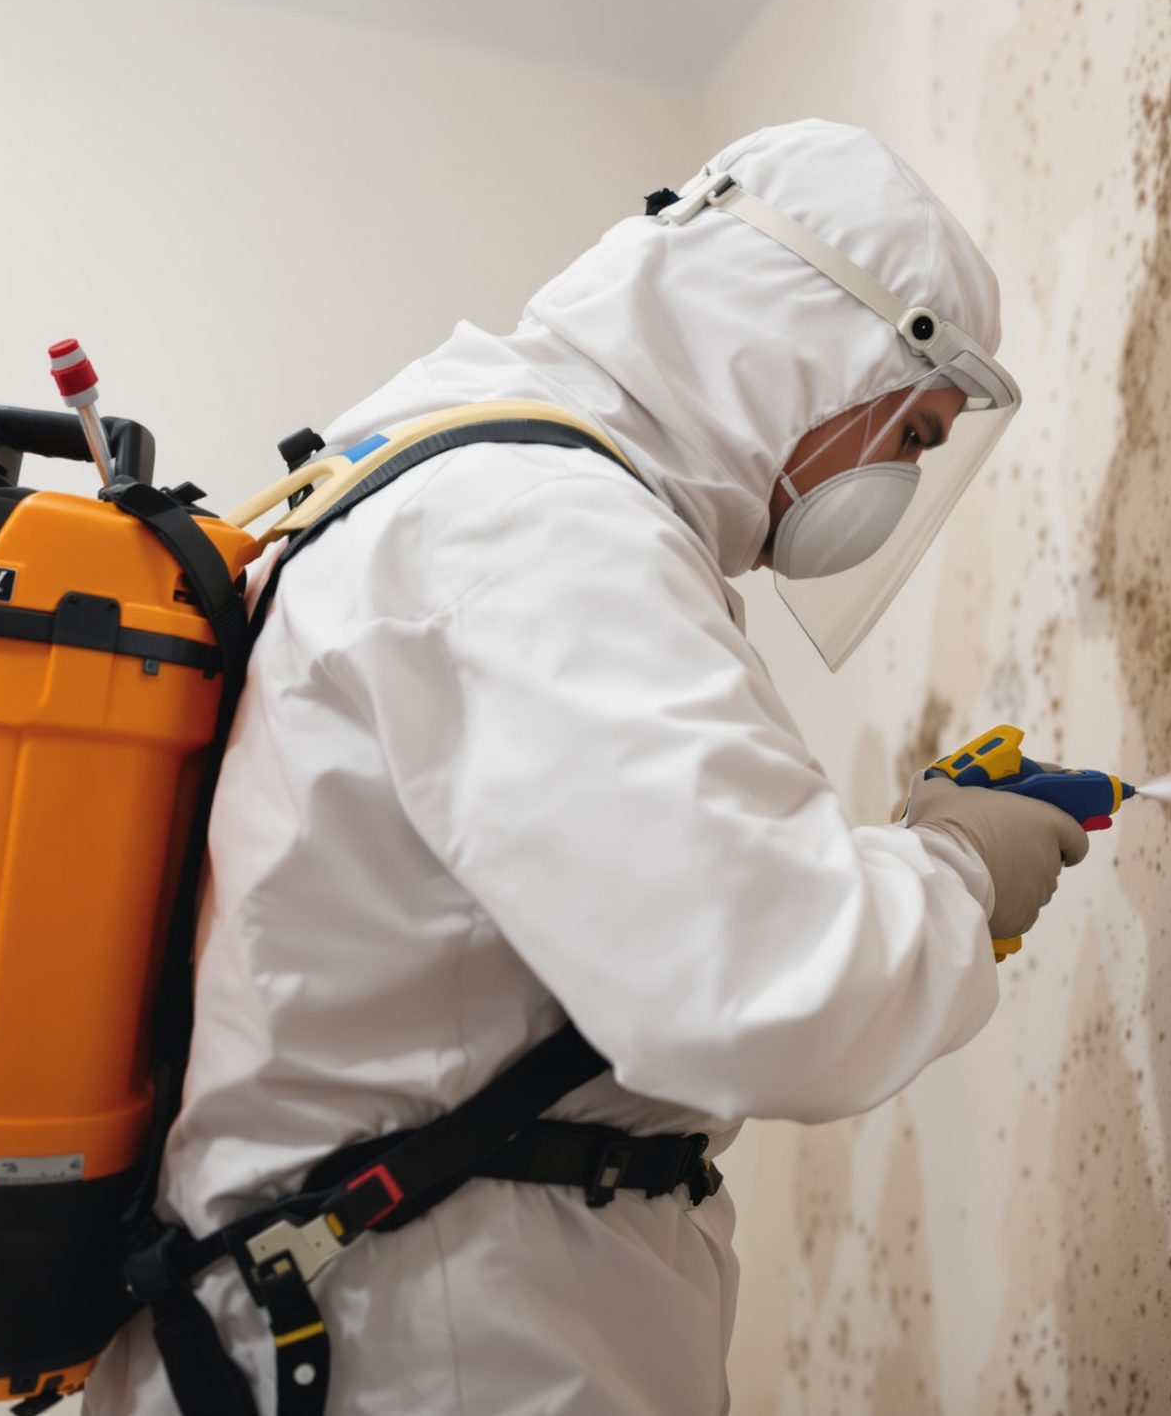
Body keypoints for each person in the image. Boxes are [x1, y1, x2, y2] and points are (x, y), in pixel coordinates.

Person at [83, 120, 1086, 1415]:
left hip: (374, 1323)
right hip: (428, 1351)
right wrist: (955, 869)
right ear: (799, 343)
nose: (896, 479)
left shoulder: (449, 474)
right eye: (911, 430)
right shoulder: (537, 530)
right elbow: (761, 981)